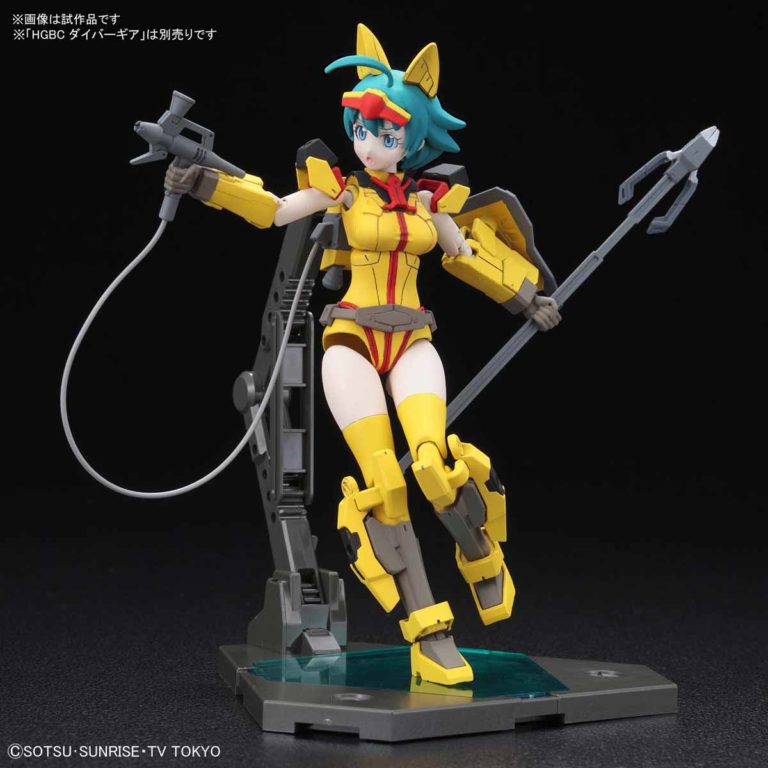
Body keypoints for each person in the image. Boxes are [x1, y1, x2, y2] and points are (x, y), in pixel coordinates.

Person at [165, 23, 561, 686]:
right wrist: (205, 183)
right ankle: (429, 633)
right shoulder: (340, 190)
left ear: (412, 139)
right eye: (361, 128)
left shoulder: (432, 202)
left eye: (386, 133)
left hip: (412, 339)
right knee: (384, 482)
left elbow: (468, 253)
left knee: (435, 463)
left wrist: (526, 298)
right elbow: (273, 209)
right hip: (350, 339)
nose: (370, 142)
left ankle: (482, 556)